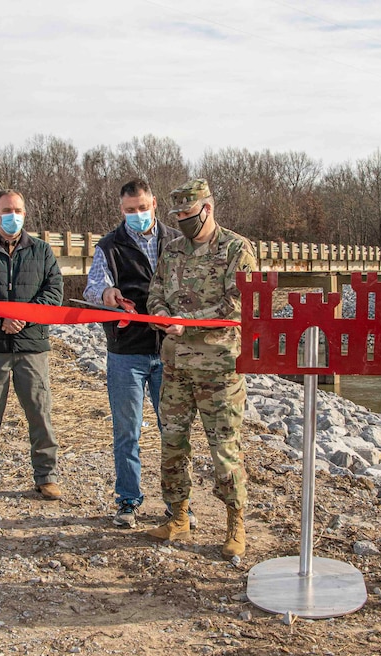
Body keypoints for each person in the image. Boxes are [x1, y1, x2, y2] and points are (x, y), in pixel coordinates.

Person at [145, 178, 258, 559]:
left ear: (206, 209)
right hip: (176, 365)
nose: (181, 221)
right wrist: (161, 315)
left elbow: (238, 303)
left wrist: (187, 322)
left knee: (225, 450)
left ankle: (235, 524)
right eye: (176, 215)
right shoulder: (172, 250)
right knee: (172, 444)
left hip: (219, 370)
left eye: (187, 214)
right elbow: (156, 291)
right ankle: (178, 517)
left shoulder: (236, 249)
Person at [84, 179, 182, 528]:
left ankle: (177, 503)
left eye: (142, 208)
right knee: (128, 431)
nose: (137, 215)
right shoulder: (110, 245)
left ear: (154, 203)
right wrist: (106, 292)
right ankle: (128, 500)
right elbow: (93, 285)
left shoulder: (177, 241)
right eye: (130, 210)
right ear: (121, 210)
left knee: (173, 429)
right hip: (126, 352)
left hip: (171, 350)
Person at [0, 190, 64, 503]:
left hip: (32, 345)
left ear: (25, 213)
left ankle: (46, 476)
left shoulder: (42, 251)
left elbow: (53, 292)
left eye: (18, 210)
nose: (13, 215)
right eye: (7, 210)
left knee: (39, 412)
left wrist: (22, 318)